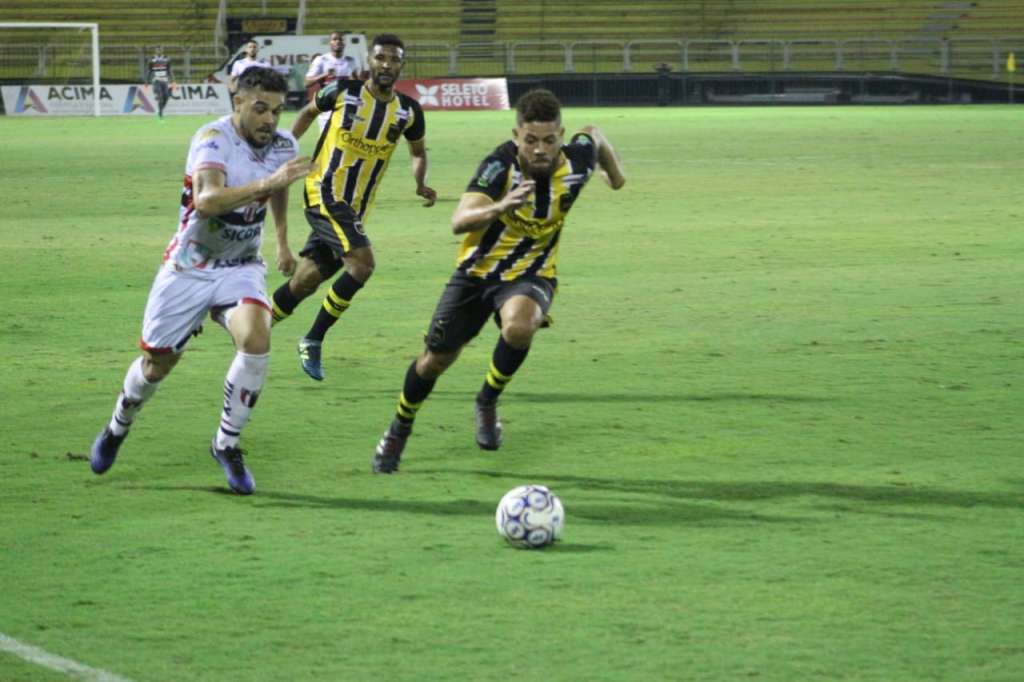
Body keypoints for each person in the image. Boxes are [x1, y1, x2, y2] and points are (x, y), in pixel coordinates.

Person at [371, 88, 626, 474]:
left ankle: (487, 400)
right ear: (515, 136)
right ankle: (399, 427)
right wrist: (501, 206)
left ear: (561, 136)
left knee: (520, 326)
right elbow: (460, 221)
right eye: (530, 140)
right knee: (434, 362)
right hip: (476, 275)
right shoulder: (500, 166)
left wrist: (615, 174)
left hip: (532, 272)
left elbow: (594, 132)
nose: (540, 149)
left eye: (549, 140)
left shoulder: (577, 161)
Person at [89, 68, 313, 495]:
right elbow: (208, 200)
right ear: (238, 104)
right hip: (190, 266)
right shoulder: (211, 139)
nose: (270, 120)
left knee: (257, 338)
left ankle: (226, 443)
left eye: (277, 111)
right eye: (260, 109)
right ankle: (119, 424)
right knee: (158, 366)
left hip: (241, 265)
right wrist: (269, 182)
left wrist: (283, 241)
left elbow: (281, 188)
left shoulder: (284, 145)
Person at [269, 33, 437, 382]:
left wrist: (420, 182)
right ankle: (313, 339)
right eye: (381, 58)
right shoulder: (344, 91)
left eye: (394, 59)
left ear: (401, 65)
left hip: (356, 207)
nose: (387, 64)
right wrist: (282, 150)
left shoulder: (408, 111)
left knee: (305, 281)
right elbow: (307, 111)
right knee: (362, 264)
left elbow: (418, 151)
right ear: (370, 61)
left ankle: (254, 324)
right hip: (324, 192)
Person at [304, 31, 359, 132]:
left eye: (341, 39)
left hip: (346, 106)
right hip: (327, 107)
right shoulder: (321, 60)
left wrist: (354, 80)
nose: (338, 42)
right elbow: (307, 82)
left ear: (345, 43)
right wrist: (324, 75)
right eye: (335, 39)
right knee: (326, 142)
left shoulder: (351, 61)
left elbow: (357, 84)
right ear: (330, 42)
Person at [147, 46, 175, 119]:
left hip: (165, 81)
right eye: (157, 49)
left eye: (160, 49)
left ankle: (160, 111)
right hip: (156, 81)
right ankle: (160, 115)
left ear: (162, 50)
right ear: (155, 50)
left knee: (166, 97)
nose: (159, 51)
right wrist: (147, 81)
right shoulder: (152, 59)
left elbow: (169, 70)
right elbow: (150, 71)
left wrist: (173, 80)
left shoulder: (167, 58)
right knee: (160, 98)